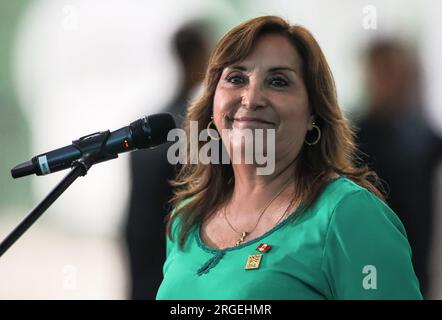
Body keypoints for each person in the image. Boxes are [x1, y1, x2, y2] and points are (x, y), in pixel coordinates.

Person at [156, 16, 422, 299]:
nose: (251, 98)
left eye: (278, 81)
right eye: (236, 78)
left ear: (313, 115)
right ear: (212, 104)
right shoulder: (186, 218)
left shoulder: (349, 215)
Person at [124, 21, 210, 299]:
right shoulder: (192, 129)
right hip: (170, 244)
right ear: (199, 56)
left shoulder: (150, 123)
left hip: (138, 238)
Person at [356, 39, 442, 298]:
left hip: (419, 263)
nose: (393, 82)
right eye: (384, 73)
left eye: (397, 72)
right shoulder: (353, 138)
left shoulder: (425, 136)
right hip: (371, 263)